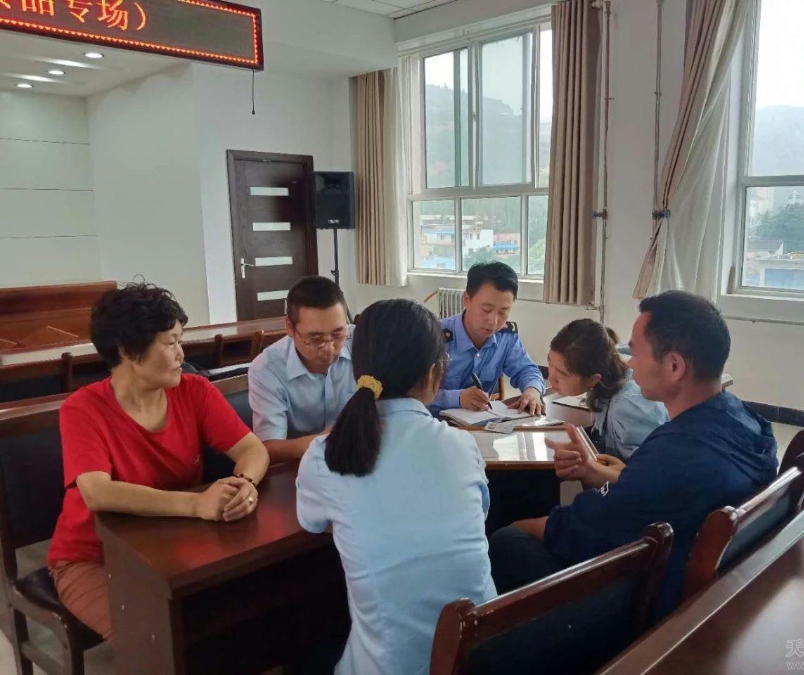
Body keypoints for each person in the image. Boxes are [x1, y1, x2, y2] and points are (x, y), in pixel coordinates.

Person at [489, 291, 778, 615]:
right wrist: (593, 472)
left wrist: (520, 527)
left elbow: (582, 527)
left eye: (637, 352)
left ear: (674, 366)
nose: (628, 362)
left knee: (507, 542)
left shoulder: (672, 457)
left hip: (649, 604)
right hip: (712, 580)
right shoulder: (746, 420)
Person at [47, 283, 270, 640]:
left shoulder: (194, 391)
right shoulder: (83, 409)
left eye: (180, 341)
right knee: (152, 639)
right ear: (129, 352)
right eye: (170, 343)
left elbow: (252, 450)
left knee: (239, 614)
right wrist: (196, 504)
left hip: (171, 543)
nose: (182, 354)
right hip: (95, 557)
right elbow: (97, 493)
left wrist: (244, 483)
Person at [296, 299, 496, 675]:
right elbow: (478, 516)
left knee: (306, 649)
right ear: (434, 373)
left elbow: (313, 523)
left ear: (358, 370)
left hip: (391, 667)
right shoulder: (461, 445)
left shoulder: (325, 455)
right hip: (481, 658)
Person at [249, 276, 355, 462]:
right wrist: (330, 440)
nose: (329, 347)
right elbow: (268, 447)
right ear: (290, 328)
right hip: (300, 466)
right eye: (315, 339)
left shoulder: (363, 342)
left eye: (338, 334)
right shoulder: (267, 369)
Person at [548, 319, 667, 463]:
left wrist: (593, 468)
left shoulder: (628, 407)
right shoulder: (606, 360)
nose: (551, 378)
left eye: (561, 374)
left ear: (593, 379)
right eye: (550, 363)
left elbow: (651, 471)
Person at [433, 261, 545, 415]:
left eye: (503, 312)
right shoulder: (435, 336)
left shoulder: (505, 337)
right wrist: (457, 398)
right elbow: (412, 393)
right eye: (486, 309)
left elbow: (526, 369)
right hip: (434, 422)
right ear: (467, 299)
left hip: (480, 423)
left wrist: (532, 391)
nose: (494, 321)